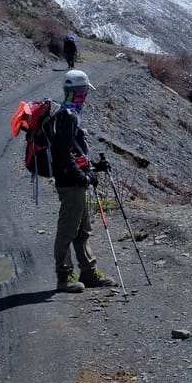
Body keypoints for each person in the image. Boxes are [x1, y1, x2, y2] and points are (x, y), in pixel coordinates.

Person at [50, 69, 116, 292]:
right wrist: (84, 176)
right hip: (71, 184)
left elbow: (73, 152)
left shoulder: (68, 113)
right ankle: (64, 277)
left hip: (76, 181)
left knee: (83, 229)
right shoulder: (67, 116)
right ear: (78, 92)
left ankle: (88, 272)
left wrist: (94, 168)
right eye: (84, 92)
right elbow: (63, 154)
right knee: (68, 230)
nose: (85, 97)